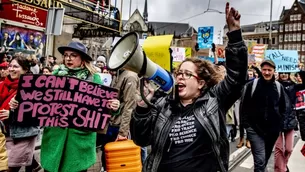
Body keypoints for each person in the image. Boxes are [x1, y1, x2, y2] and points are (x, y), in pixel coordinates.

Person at [130, 3, 247, 172]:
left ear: (201, 83)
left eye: (187, 74)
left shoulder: (214, 101)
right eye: (179, 73)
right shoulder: (163, 104)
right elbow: (141, 140)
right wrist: (142, 108)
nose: (180, 77)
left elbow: (237, 77)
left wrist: (235, 34)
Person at [10, 41, 121, 172]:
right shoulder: (55, 76)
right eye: (66, 55)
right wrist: (18, 103)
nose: (68, 58)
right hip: (54, 139)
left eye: (73, 55)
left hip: (79, 143)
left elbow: (103, 108)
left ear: (83, 59)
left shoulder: (93, 79)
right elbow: (37, 101)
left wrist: (114, 106)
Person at [240, 60, 290, 172]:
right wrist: (247, 126)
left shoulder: (278, 87)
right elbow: (244, 107)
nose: (267, 73)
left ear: (274, 71)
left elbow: (283, 108)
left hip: (272, 131)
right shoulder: (251, 86)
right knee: (260, 161)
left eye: (269, 70)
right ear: (261, 70)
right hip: (254, 129)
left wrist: (280, 125)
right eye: (264, 70)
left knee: (264, 159)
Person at [0, 54, 41, 172]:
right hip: (5, 134)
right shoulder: (3, 85)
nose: (11, 69)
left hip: (22, 136)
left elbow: (38, 114)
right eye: (10, 66)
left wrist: (13, 114)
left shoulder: (33, 88)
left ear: (25, 70)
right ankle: (34, 165)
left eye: (16, 67)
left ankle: (33, 165)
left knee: (9, 169)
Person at [274, 71, 305, 172]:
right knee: (279, 149)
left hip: (290, 121)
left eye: (285, 72)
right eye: (281, 72)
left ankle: (282, 165)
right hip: (277, 121)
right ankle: (280, 169)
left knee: (289, 149)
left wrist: (300, 71)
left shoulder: (294, 86)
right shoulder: (274, 85)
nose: (283, 74)